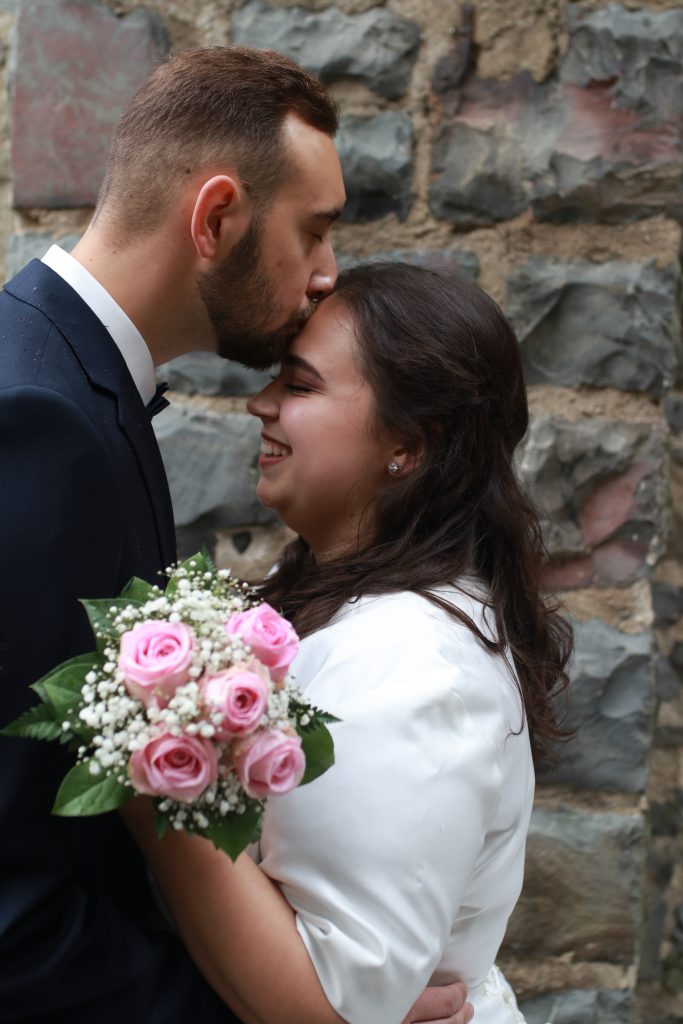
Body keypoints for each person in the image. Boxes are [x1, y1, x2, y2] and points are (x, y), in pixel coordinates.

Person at [0, 48, 471, 1024]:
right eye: (314, 230)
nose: (326, 273)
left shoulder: (62, 377)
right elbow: (14, 896)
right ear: (214, 218)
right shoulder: (42, 422)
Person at [121, 262, 573, 1023]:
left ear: (409, 444)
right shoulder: (333, 597)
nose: (261, 403)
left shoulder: (412, 665)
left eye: (299, 386)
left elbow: (339, 1001)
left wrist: (147, 787)